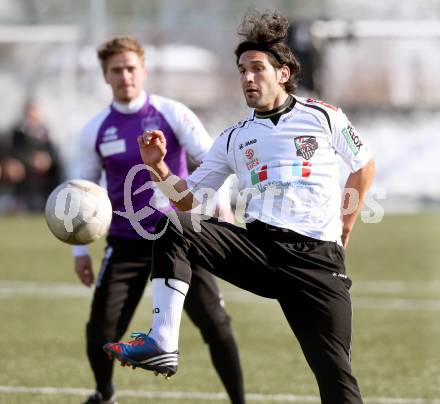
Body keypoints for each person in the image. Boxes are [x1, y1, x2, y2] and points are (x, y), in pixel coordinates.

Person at [104, 10, 376, 404]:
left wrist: (345, 228)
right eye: (242, 70)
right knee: (175, 225)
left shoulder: (324, 117)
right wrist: (157, 166)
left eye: (257, 68)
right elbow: (190, 200)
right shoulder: (233, 138)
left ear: (283, 73)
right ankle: (162, 340)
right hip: (262, 251)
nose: (247, 78)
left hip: (319, 262)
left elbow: (364, 166)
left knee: (337, 381)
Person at [74, 36, 245, 404]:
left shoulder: (173, 113)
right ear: (106, 76)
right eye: (116, 70)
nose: (125, 76)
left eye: (131, 68)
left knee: (217, 327)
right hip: (125, 242)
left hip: (181, 239)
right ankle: (105, 396)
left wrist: (222, 207)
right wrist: (79, 252)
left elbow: (212, 159)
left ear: (143, 70)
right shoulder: (96, 129)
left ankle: (239, 402)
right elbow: (81, 196)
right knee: (99, 332)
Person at [9, 99, 63, 211]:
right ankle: (21, 200)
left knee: (57, 166)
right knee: (16, 169)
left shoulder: (46, 131)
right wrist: (32, 160)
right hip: (26, 166)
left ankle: (54, 199)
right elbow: (16, 152)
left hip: (45, 167)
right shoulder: (18, 132)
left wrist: (47, 159)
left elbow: (53, 151)